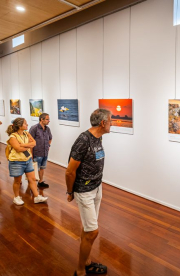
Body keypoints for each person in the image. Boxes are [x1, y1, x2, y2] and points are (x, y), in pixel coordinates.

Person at [66, 109, 111, 276]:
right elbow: (69, 171)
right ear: (103, 123)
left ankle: (86, 262)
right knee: (92, 231)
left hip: (96, 187)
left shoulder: (99, 137)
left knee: (88, 228)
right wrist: (70, 191)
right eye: (110, 121)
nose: (112, 124)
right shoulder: (83, 140)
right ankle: (80, 270)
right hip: (84, 191)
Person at [7, 118, 48, 205]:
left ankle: (37, 197)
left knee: (32, 179)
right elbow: (18, 149)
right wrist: (27, 146)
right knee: (17, 181)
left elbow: (34, 143)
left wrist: (22, 145)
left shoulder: (26, 133)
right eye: (25, 123)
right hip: (17, 161)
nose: (27, 125)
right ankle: (16, 197)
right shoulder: (13, 137)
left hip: (28, 160)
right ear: (19, 126)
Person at [29, 113, 52, 188]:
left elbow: (50, 138)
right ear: (42, 119)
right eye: (47, 119)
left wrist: (48, 145)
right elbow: (30, 142)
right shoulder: (34, 128)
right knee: (35, 169)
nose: (49, 121)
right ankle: (32, 184)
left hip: (45, 153)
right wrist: (31, 154)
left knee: (42, 168)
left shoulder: (47, 129)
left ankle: (40, 181)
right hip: (37, 152)